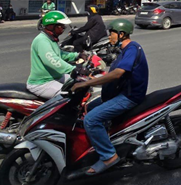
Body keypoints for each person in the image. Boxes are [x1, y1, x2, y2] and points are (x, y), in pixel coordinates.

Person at [72, 19, 149, 176]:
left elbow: (118, 73)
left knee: (91, 120)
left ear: (121, 34)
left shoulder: (132, 48)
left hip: (128, 96)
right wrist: (90, 75)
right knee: (89, 107)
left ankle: (109, 156)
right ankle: (107, 137)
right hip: (119, 93)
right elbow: (112, 72)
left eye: (111, 33)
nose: (109, 36)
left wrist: (89, 83)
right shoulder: (123, 50)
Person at [27, 11, 81, 99]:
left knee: (80, 83)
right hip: (42, 83)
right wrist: (73, 69)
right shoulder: (42, 40)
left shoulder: (51, 39)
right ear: (51, 26)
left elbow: (60, 55)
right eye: (61, 26)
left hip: (56, 77)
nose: (63, 28)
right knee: (70, 96)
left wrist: (77, 55)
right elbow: (52, 60)